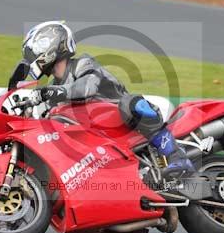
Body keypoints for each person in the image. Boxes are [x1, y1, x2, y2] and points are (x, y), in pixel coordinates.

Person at [20, 21, 195, 180]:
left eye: (34, 49)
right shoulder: (51, 92)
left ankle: (175, 156)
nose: (31, 56)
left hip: (127, 126)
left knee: (131, 104)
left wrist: (50, 93)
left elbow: (86, 88)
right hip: (97, 145)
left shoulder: (83, 64)